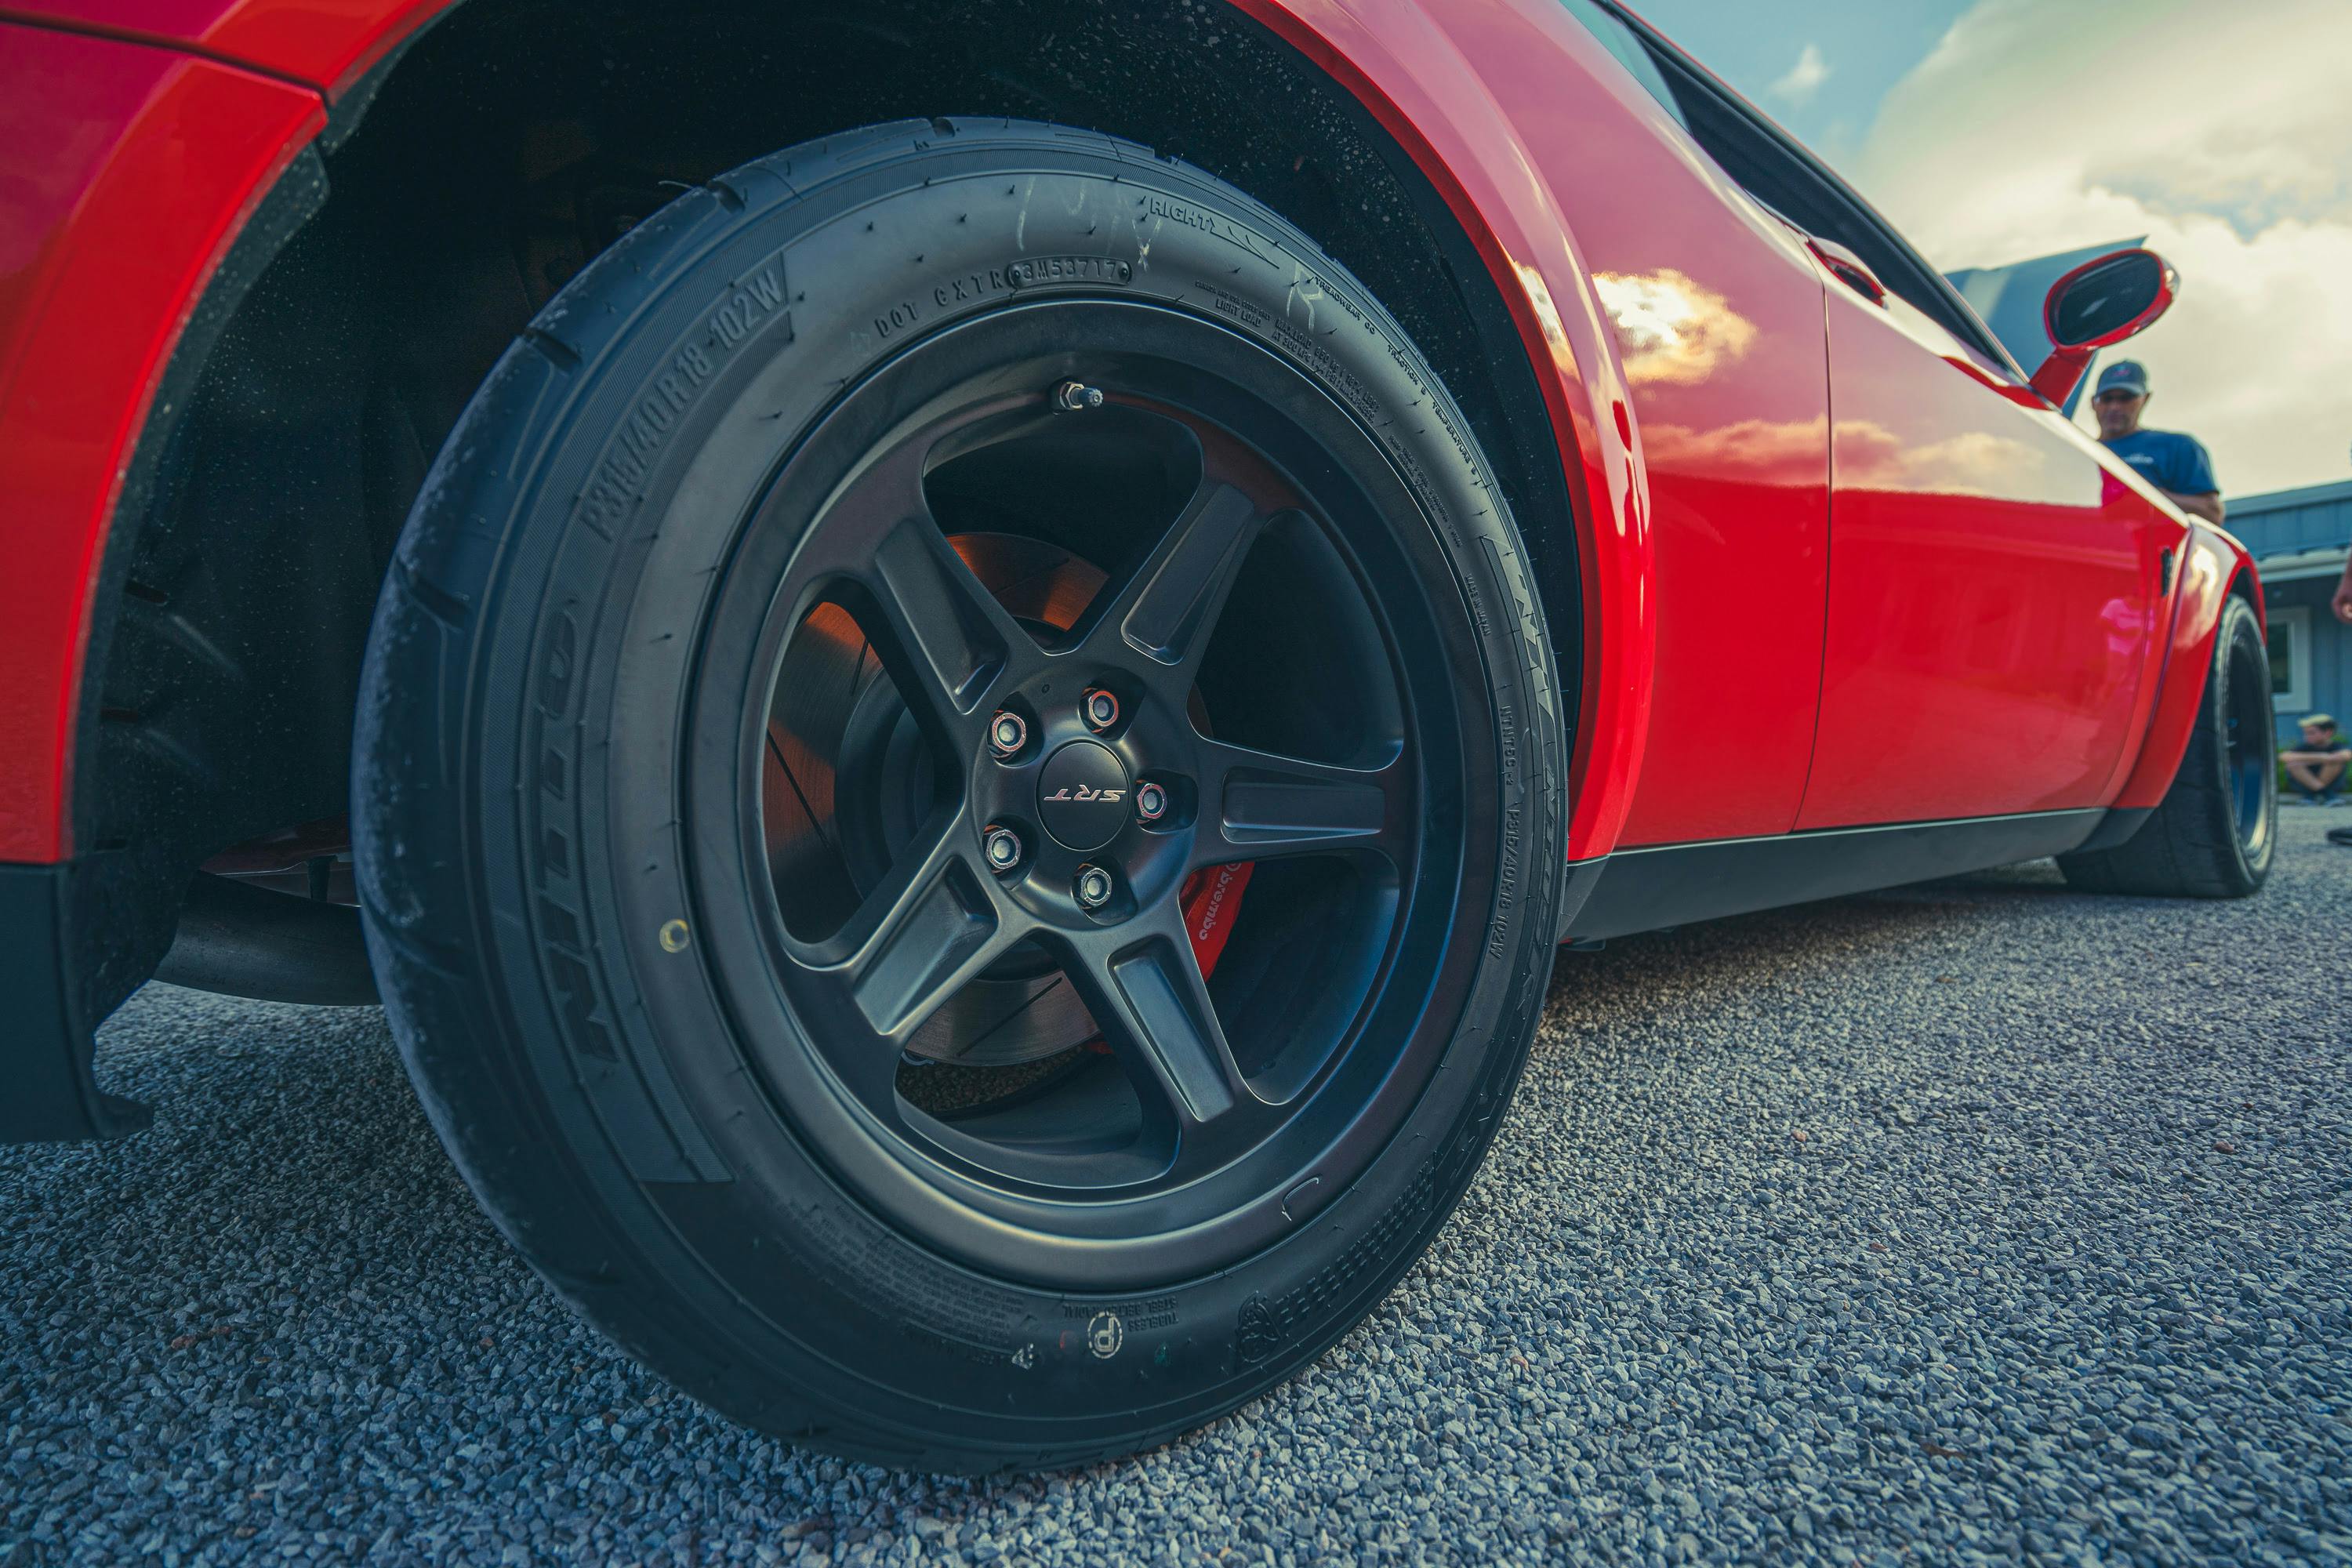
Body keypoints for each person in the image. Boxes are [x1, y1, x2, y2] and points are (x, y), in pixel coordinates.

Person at [2092, 360, 2223, 524]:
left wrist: (2147, 496)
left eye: (2126, 398)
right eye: (2107, 399)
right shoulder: (2077, 453)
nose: (2115, 407)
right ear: (2093, 403)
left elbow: (2211, 512)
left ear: (2144, 399)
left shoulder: (2178, 447)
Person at [2284, 714, 2351, 804]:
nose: (2306, 736)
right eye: (2306, 733)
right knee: (2293, 765)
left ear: (2328, 733)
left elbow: (2346, 755)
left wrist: (2309, 761)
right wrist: (2322, 757)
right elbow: (2285, 756)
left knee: (2335, 762)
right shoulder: (2304, 747)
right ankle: (2327, 794)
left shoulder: (2337, 745)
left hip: (2333, 784)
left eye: (2311, 733)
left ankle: (2311, 795)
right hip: (2305, 786)